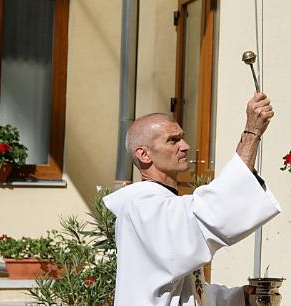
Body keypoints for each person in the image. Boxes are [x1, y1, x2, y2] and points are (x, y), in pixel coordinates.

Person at [103, 92, 281, 306]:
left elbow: (185, 289)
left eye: (182, 137)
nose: (185, 146)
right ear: (144, 154)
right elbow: (211, 213)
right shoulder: (142, 208)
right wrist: (252, 133)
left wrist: (239, 297)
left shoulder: (161, 204)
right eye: (173, 140)